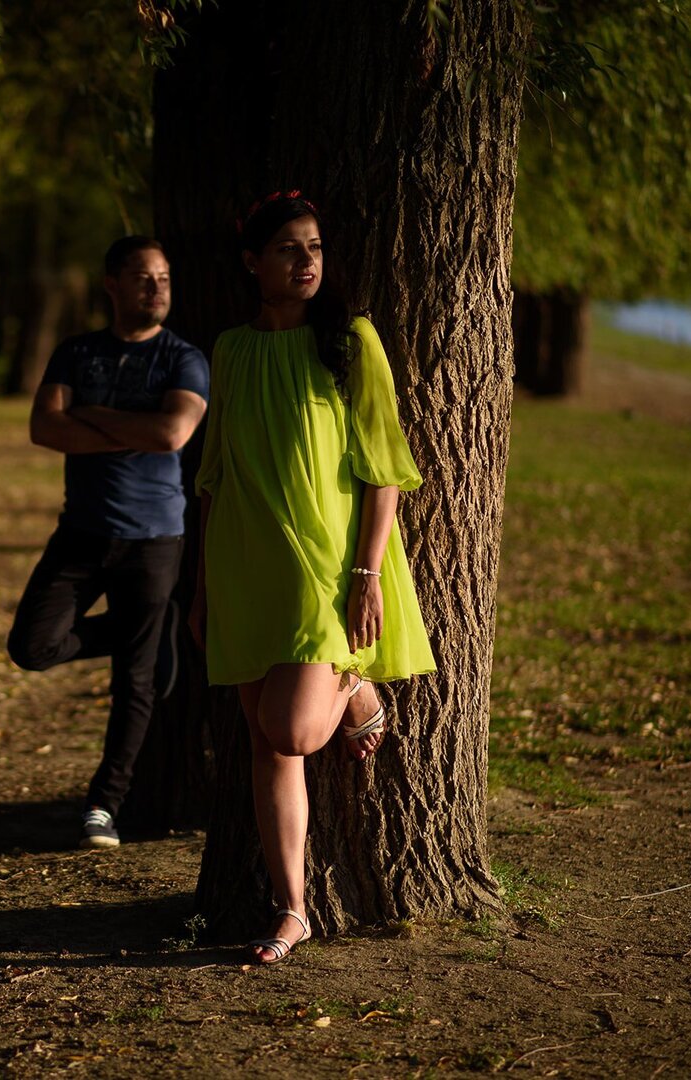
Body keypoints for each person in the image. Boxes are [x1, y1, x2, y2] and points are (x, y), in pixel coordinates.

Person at [187, 192, 436, 963]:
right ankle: (292, 909)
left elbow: (384, 469)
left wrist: (367, 572)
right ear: (252, 263)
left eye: (317, 248)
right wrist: (201, 588)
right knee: (270, 745)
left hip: (325, 568)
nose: (307, 263)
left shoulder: (352, 341)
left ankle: (358, 683)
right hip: (243, 563)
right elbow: (217, 476)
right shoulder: (229, 349)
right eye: (291, 249)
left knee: (291, 727)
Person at [8, 235, 210, 850]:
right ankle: (146, 634)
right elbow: (45, 428)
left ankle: (104, 805)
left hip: (154, 540)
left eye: (165, 279)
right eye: (144, 278)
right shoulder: (77, 352)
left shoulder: (184, 359)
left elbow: (172, 433)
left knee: (136, 683)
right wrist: (130, 429)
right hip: (82, 532)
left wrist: (89, 417)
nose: (157, 289)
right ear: (112, 285)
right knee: (33, 646)